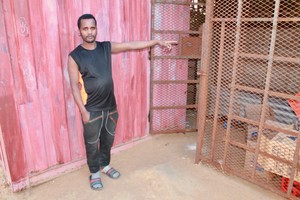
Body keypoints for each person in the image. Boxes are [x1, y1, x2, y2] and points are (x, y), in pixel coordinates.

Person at [67, 13, 177, 190]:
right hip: (91, 109)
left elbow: (131, 45)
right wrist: (83, 111)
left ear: (96, 29)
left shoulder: (105, 47)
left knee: (108, 140)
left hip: (110, 107)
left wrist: (155, 42)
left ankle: (105, 165)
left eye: (92, 28)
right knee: (91, 143)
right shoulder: (75, 56)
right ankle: (94, 172)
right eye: (85, 28)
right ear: (79, 31)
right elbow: (73, 85)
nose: (89, 32)